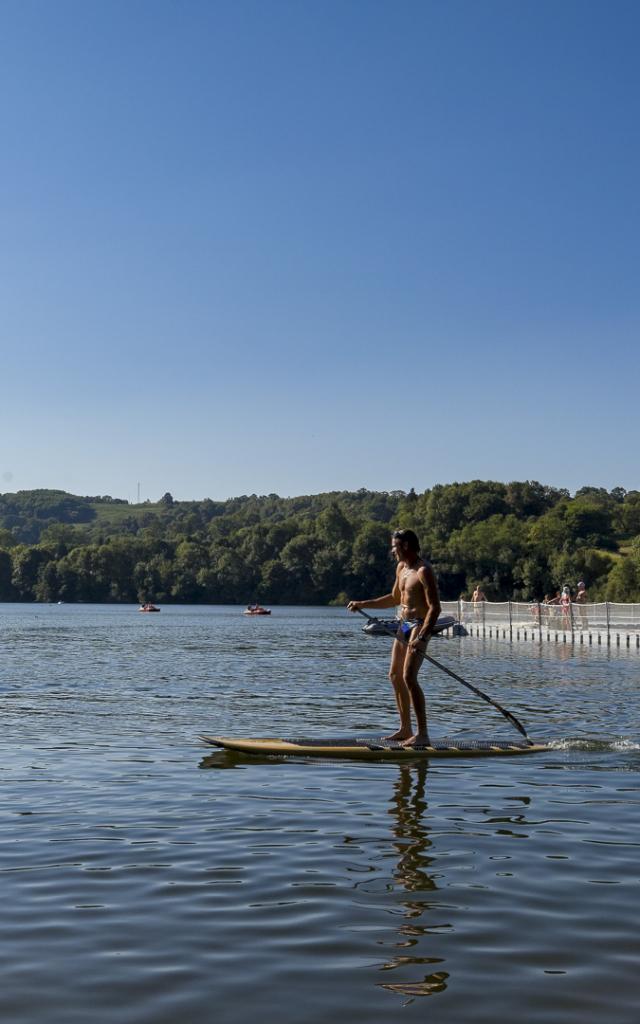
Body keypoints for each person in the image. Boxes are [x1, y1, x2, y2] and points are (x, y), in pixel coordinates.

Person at [347, 528, 441, 747]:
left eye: (394, 546)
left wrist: (424, 636)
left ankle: (423, 733)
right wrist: (363, 603)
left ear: (406, 545)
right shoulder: (401, 569)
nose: (392, 551)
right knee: (394, 675)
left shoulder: (423, 571)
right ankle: (405, 728)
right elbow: (394, 598)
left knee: (409, 676)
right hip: (404, 625)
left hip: (419, 625)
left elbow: (435, 608)